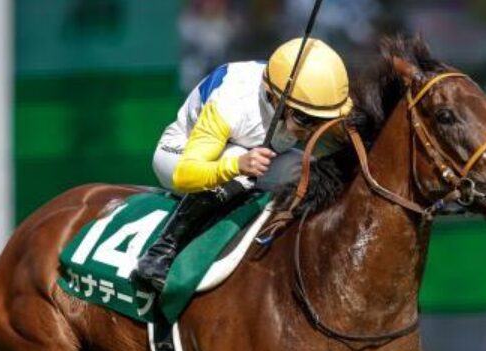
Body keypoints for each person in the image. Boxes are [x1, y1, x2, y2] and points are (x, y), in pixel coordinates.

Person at [130, 37, 353, 294]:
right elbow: (184, 175)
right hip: (181, 155)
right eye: (305, 119)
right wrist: (236, 165)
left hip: (256, 157)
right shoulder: (232, 104)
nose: (313, 129)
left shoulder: (306, 98)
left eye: (321, 121)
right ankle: (161, 252)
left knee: (311, 170)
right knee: (236, 159)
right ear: (273, 98)